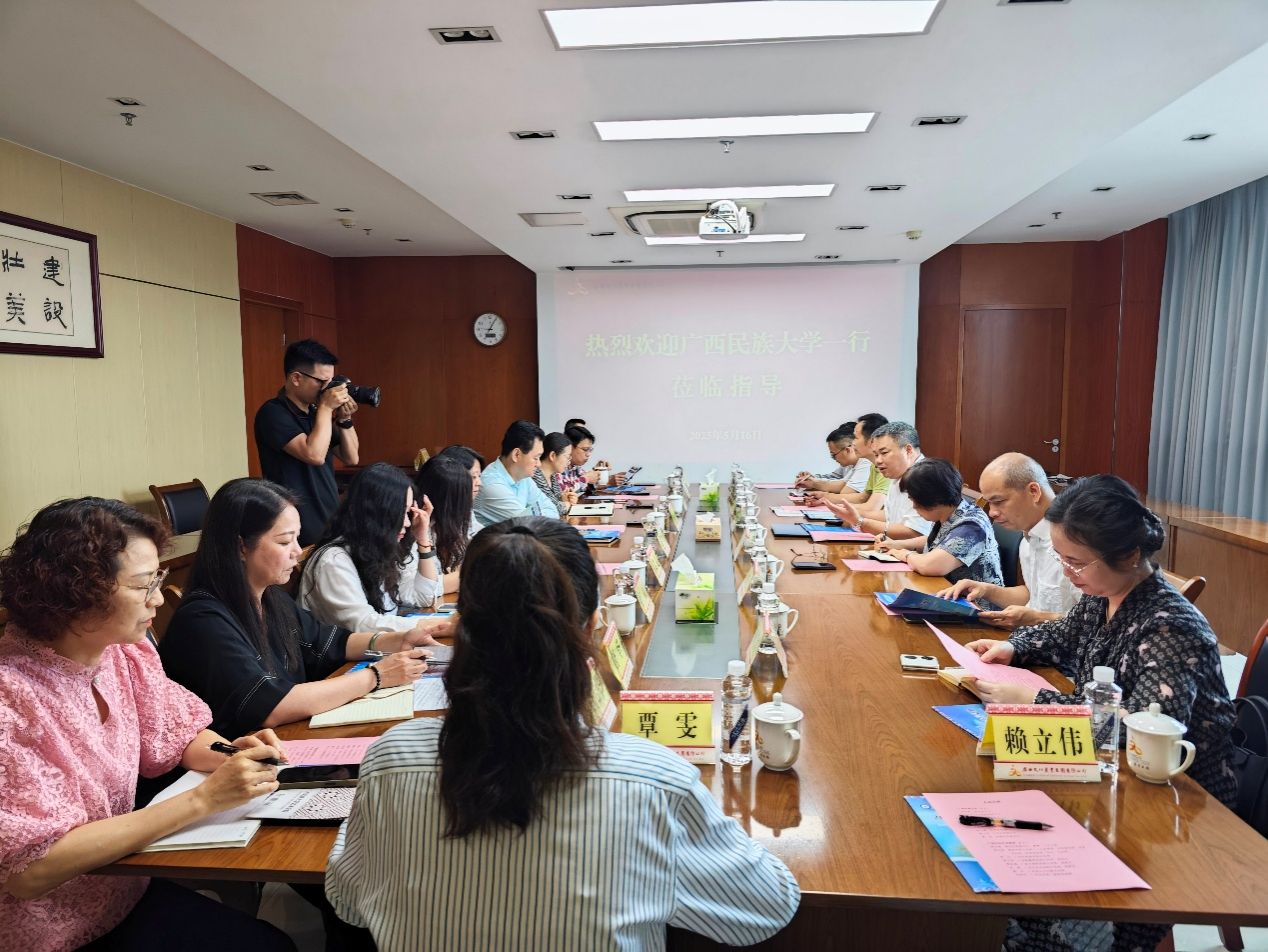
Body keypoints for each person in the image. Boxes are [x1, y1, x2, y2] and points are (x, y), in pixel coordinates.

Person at [326, 517, 800, 949]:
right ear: (592, 627)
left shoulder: (389, 760)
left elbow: (347, 899)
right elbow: (771, 905)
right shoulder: (655, 780)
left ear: (461, 624)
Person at [0, 498, 294, 952]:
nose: (158, 597)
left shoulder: (120, 651)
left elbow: (177, 732)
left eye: (158, 579)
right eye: (144, 585)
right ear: (77, 592)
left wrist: (232, 754)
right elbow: (29, 871)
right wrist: (202, 799)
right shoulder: (13, 699)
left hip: (124, 885)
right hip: (49, 931)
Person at [963, 476, 1236, 952]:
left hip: (1173, 800)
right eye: (1062, 558)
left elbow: (1141, 725)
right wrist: (1013, 647)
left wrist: (1036, 702)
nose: (1068, 572)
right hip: (1106, 772)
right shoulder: (1102, 595)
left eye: (1076, 561)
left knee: (1044, 888)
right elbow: (1061, 635)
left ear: (1128, 556)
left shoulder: (1170, 625)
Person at [160, 479, 433, 739]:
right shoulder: (203, 619)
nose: (297, 551)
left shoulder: (271, 598)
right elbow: (270, 706)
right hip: (235, 758)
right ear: (240, 546)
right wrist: (376, 676)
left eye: (297, 539)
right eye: (284, 541)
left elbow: (329, 642)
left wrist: (397, 640)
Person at [299, 462, 455, 631]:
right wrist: (432, 625)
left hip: (378, 643)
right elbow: (363, 624)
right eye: (400, 512)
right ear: (376, 513)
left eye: (407, 512)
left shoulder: (375, 548)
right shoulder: (334, 560)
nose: (407, 522)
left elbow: (424, 597)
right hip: (356, 647)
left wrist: (422, 539)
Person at [937, 453, 1079, 628]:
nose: (992, 513)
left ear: (1033, 492)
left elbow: (1096, 623)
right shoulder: (1028, 538)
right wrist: (986, 590)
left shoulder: (1076, 543)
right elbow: (1033, 595)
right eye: (989, 503)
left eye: (999, 501)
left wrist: (1038, 619)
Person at [254, 338, 360, 545]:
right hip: (297, 527)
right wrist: (326, 409)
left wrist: (345, 419)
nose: (328, 390)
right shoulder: (272, 413)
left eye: (331, 383)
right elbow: (314, 455)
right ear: (296, 378)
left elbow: (351, 458)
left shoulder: (315, 414)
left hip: (330, 519)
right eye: (322, 382)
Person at [873, 458, 1003, 586]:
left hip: (974, 599)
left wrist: (903, 554)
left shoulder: (972, 526)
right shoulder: (951, 512)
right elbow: (938, 542)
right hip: (946, 589)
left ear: (933, 498)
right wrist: (896, 544)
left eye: (914, 500)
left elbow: (928, 566)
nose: (914, 506)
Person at [821, 421, 933, 539]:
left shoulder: (925, 478)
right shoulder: (898, 474)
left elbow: (915, 533)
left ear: (908, 450)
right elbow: (889, 516)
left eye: (884, 453)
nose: (878, 461)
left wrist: (860, 522)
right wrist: (854, 513)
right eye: (876, 455)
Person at [413, 455, 477, 593]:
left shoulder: (458, 521)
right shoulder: (415, 526)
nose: (468, 502)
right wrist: (466, 574)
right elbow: (428, 590)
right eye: (463, 496)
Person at [471, 420, 545, 527]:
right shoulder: (491, 485)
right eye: (536, 458)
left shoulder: (524, 477)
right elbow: (528, 524)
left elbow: (549, 508)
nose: (539, 464)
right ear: (516, 455)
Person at [794, 423, 872, 494]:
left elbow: (845, 490)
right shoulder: (853, 463)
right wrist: (812, 479)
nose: (854, 445)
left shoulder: (866, 462)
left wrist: (815, 485)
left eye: (834, 455)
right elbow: (837, 481)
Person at [532, 431, 579, 518]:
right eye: (567, 457)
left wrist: (565, 499)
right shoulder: (535, 476)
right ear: (552, 455)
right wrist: (567, 504)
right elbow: (552, 508)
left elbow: (558, 502)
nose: (569, 462)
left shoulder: (552, 476)